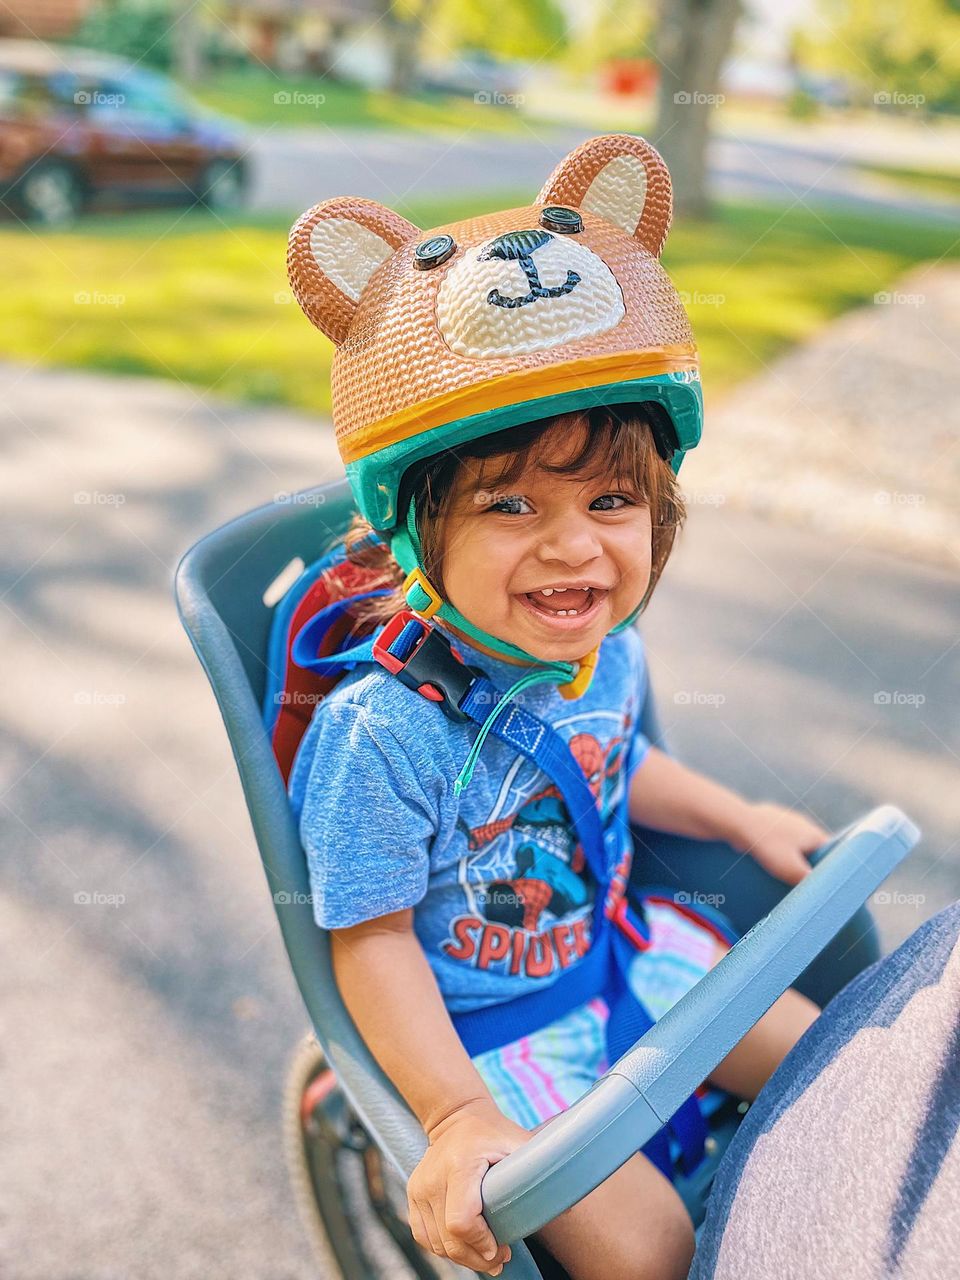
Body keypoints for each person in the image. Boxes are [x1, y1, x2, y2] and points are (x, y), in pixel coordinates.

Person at [285, 133, 825, 1280]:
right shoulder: (381, 733)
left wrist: (737, 819)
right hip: (496, 1039)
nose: (573, 544)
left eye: (613, 497)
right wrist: (450, 1115)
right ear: (421, 531)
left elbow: (615, 762)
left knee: (834, 1074)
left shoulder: (602, 651)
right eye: (512, 503)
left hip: (628, 958)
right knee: (652, 1251)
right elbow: (370, 938)